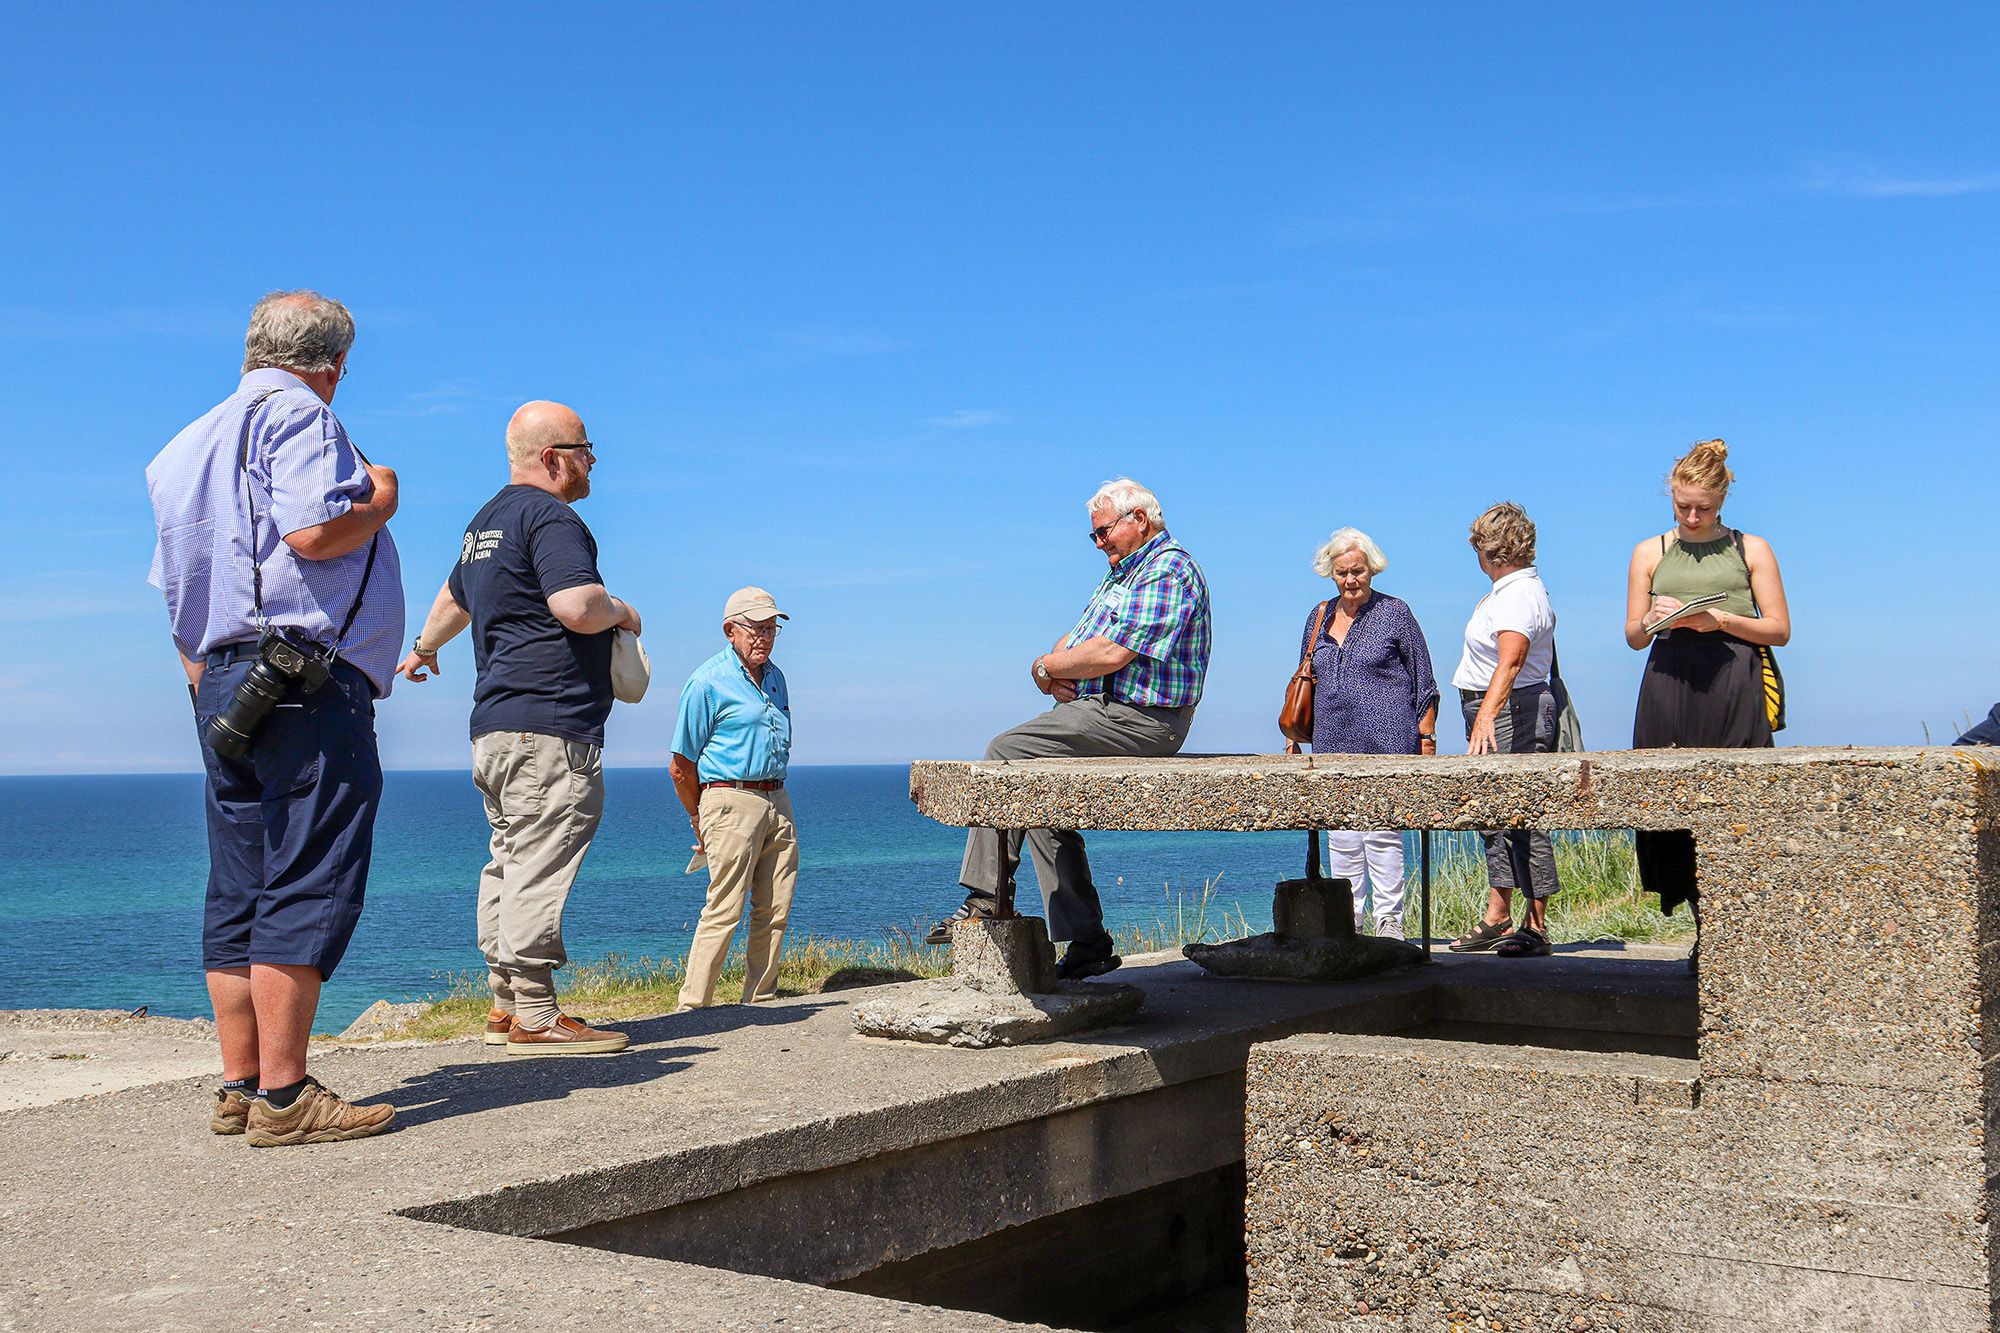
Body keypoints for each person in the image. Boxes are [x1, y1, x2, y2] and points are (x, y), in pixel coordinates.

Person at [145, 290, 403, 1145]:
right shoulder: (301, 416)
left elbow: (177, 593)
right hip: (302, 676)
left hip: (218, 678)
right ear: (332, 364)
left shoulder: (183, 446)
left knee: (239, 876)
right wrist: (380, 500)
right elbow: (312, 532)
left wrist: (206, 683)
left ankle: (240, 1082)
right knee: (308, 867)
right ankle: (288, 1098)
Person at [396, 402, 634, 1056]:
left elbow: (455, 598)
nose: (591, 462)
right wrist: (623, 610)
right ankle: (534, 1014)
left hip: (494, 726)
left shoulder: (485, 523)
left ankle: (504, 1003)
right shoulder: (553, 517)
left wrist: (422, 647)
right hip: (551, 723)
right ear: (553, 457)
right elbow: (576, 606)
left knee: (509, 857)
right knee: (539, 856)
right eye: (586, 448)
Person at [928, 478, 1212, 979]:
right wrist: (1052, 666)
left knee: (1006, 751)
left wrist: (1047, 664)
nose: (1099, 543)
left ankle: (984, 899)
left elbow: (1110, 653)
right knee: (1038, 802)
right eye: (1095, 536)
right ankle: (1086, 941)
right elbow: (1079, 638)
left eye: (1103, 533)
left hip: (1142, 719)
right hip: (1106, 710)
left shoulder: (1168, 570)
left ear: (1138, 520)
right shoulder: (1124, 575)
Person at [1624, 439, 1790, 920]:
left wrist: (1719, 620)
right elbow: (1634, 637)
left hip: (1734, 677)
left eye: (1704, 509)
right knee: (1665, 800)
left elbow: (1779, 630)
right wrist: (1655, 618)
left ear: (1721, 502)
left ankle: (1738, 924)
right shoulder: (1649, 551)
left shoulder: (1751, 548)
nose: (1692, 518)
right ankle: (1699, 924)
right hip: (1667, 677)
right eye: (1683, 507)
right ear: (1671, 498)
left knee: (1739, 800)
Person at [1284, 528, 1438, 939]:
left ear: (1372, 569)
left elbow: (1424, 681)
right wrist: (1294, 739)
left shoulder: (1395, 613)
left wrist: (1427, 739)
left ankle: (1390, 922)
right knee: (1343, 834)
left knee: (1383, 833)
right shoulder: (1318, 616)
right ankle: (1347, 918)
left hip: (1387, 740)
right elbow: (1304, 678)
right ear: (1330, 573)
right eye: (1342, 573)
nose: (1351, 580)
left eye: (1358, 571)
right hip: (1332, 739)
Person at [669, 588, 799, 1011]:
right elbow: (680, 764)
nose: (764, 637)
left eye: (770, 629)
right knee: (724, 908)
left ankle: (759, 1000)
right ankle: (693, 1008)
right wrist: (698, 816)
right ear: (730, 631)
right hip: (729, 797)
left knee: (776, 906)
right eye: (756, 629)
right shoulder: (706, 682)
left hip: (777, 796)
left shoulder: (776, 677)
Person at [1448, 503, 1561, 957]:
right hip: (1498, 704)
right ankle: (1499, 916)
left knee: (1524, 817)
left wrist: (1487, 715)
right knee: (1497, 818)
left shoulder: (1517, 595)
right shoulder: (1509, 589)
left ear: (1489, 552)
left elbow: (1511, 659)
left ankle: (1535, 927)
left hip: (1511, 708)